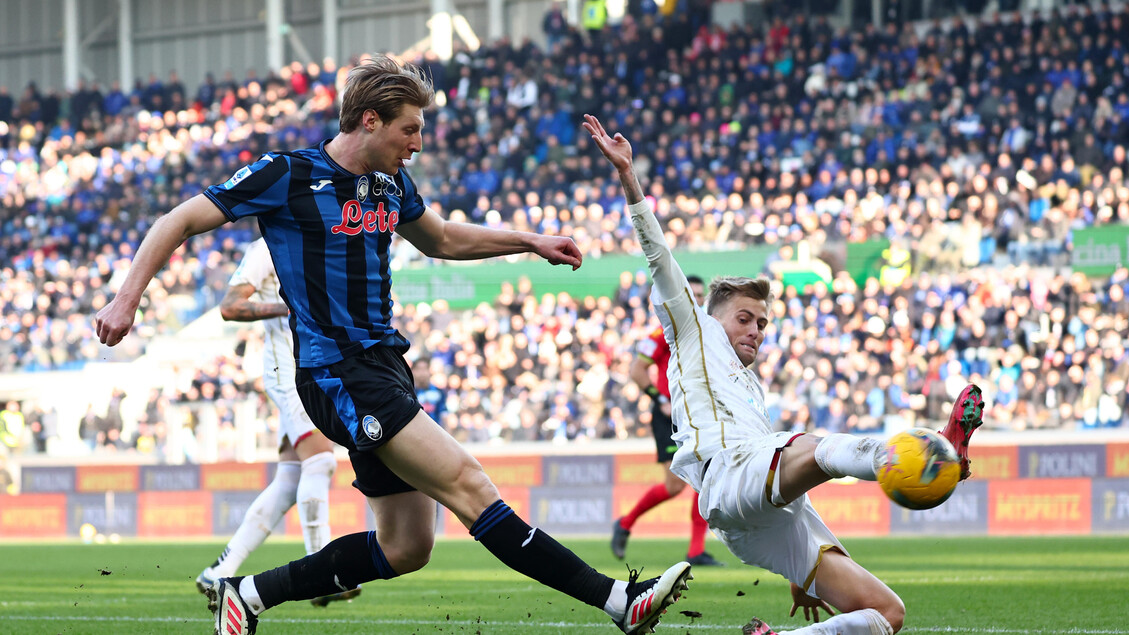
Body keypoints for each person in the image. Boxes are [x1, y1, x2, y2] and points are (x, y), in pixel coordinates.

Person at [94, 55, 691, 635]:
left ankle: (246, 596)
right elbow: (176, 219)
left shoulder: (389, 183)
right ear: (370, 121)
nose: (418, 144)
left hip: (385, 366)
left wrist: (529, 240)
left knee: (407, 546)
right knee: (469, 484)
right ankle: (620, 602)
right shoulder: (286, 174)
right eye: (410, 129)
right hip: (339, 374)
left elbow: (441, 240)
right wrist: (127, 298)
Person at [583, 114, 985, 635]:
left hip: (764, 516)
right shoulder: (691, 331)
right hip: (729, 475)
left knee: (887, 613)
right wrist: (628, 177)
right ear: (712, 314)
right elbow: (657, 254)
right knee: (817, 448)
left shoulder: (750, 387)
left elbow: (784, 466)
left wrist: (802, 569)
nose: (755, 330)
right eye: (745, 319)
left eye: (763, 324)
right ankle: (920, 452)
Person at [194, 237, 357, 608]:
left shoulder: (315, 240)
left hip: (311, 367)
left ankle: (219, 571)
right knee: (321, 461)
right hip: (288, 371)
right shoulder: (265, 249)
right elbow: (231, 306)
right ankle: (322, 576)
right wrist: (286, 306)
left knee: (289, 480)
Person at [613, 274, 725, 567]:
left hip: (699, 415)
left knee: (706, 480)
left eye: (702, 296)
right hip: (669, 417)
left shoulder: (710, 333)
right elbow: (638, 371)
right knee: (676, 485)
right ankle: (625, 523)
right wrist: (661, 399)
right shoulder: (662, 332)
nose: (698, 300)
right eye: (693, 294)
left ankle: (696, 551)